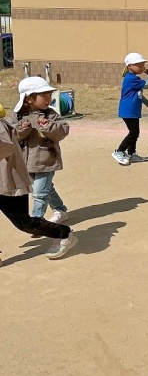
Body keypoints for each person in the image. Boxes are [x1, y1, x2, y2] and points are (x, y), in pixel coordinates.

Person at [0, 101, 77, 263]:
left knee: (24, 222)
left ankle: (64, 234)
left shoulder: (1, 126)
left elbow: (5, 147)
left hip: (8, 182)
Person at [12, 77, 70, 224]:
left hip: (46, 160)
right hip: (26, 162)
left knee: (39, 193)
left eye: (49, 95)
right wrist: (22, 129)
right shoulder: (18, 115)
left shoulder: (50, 114)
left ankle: (37, 221)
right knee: (46, 189)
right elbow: (12, 136)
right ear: (28, 98)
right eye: (43, 96)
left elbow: (62, 131)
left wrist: (48, 126)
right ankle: (60, 210)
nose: (48, 99)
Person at [113, 53, 148, 166]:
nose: (142, 67)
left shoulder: (134, 79)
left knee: (135, 133)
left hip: (133, 110)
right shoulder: (131, 79)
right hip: (128, 110)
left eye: (143, 64)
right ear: (130, 66)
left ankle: (131, 153)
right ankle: (119, 151)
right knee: (134, 132)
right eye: (139, 64)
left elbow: (139, 95)